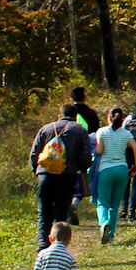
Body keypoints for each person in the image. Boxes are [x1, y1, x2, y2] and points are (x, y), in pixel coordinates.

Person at [29, 103, 92, 252]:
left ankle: (42, 246)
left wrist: (37, 171)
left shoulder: (46, 128)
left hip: (44, 175)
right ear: (76, 117)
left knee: (44, 212)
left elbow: (34, 154)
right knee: (60, 213)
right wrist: (80, 168)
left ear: (60, 115)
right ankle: (57, 248)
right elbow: (86, 156)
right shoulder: (80, 130)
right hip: (66, 176)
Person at [89, 107, 136, 244]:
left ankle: (104, 223)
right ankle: (110, 236)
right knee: (115, 206)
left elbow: (99, 150)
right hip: (122, 169)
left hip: (106, 170)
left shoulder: (102, 131)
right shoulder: (126, 133)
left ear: (109, 117)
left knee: (102, 203)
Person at [65, 85, 103, 209]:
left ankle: (68, 201)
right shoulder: (92, 113)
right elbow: (97, 133)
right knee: (82, 175)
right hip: (87, 149)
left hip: (69, 148)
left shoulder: (69, 113)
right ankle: (77, 200)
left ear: (71, 99)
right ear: (84, 97)